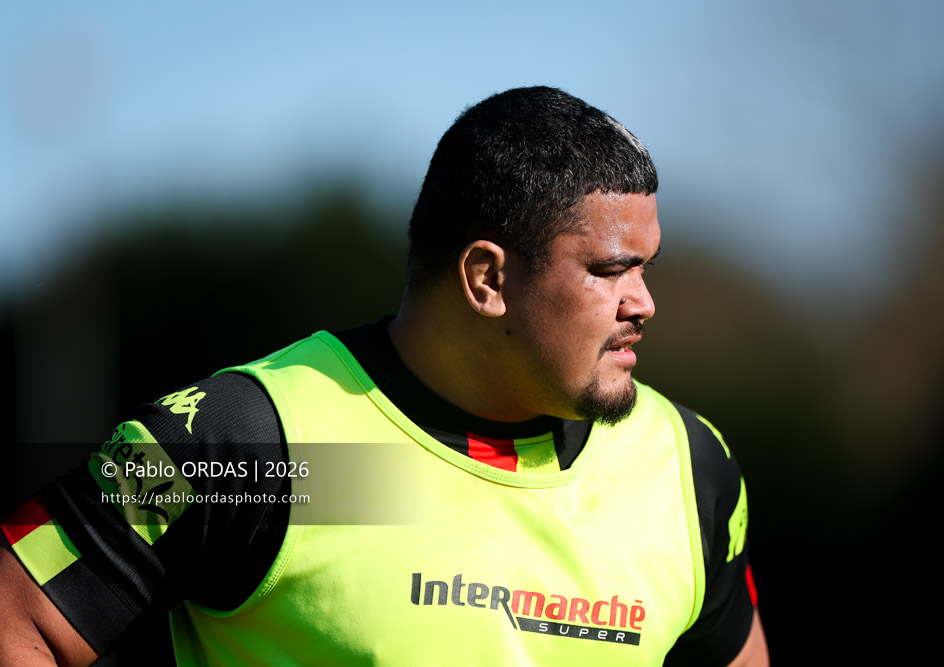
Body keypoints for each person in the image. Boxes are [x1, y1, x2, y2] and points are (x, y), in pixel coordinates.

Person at [1, 86, 768, 665]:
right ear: (487, 279)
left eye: (648, 267)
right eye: (611, 270)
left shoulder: (685, 467)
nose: (645, 302)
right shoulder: (264, 447)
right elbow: (19, 616)